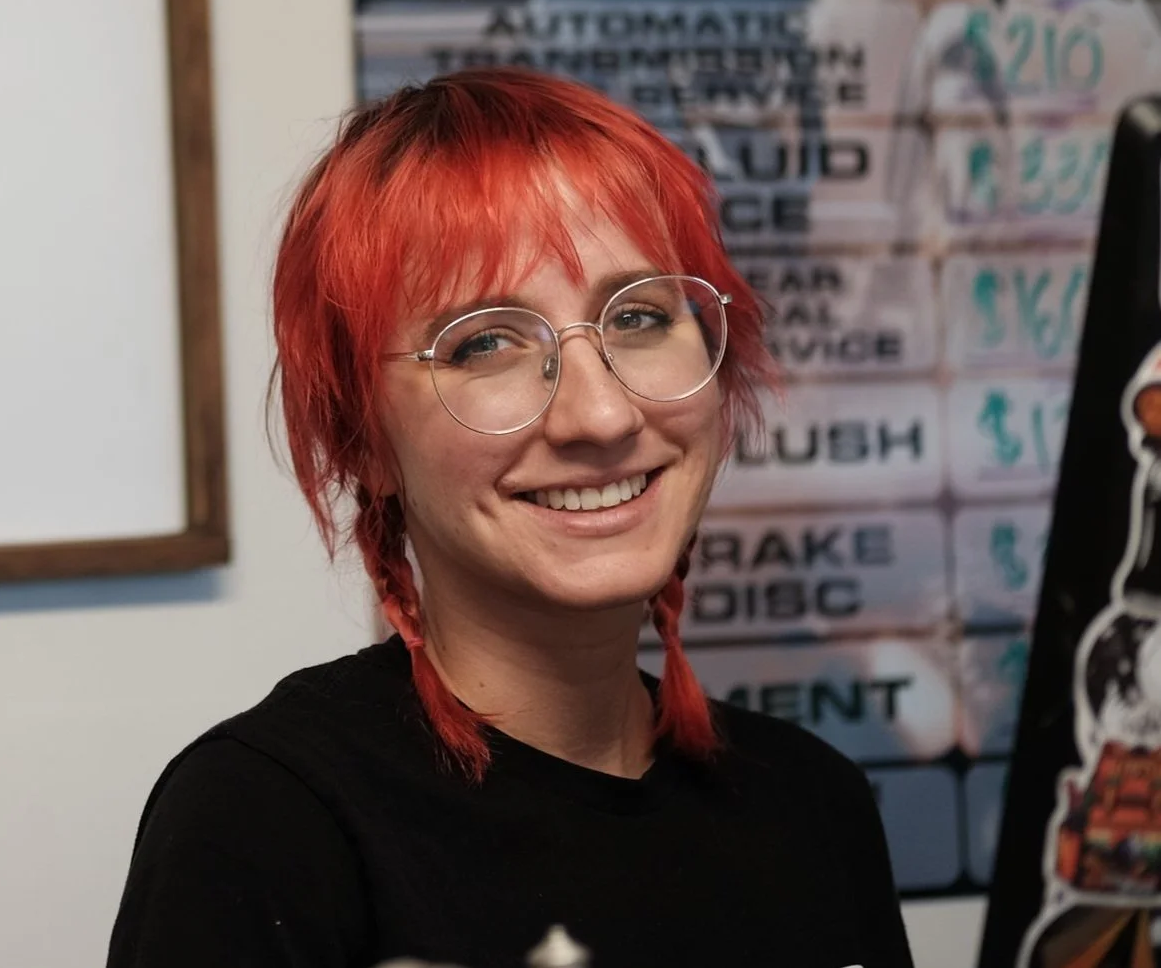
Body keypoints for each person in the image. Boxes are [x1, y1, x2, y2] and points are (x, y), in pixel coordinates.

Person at [107, 68, 913, 968]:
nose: (600, 416)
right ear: (363, 441)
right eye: (486, 343)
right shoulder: (269, 825)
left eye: (640, 316)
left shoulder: (813, 804)